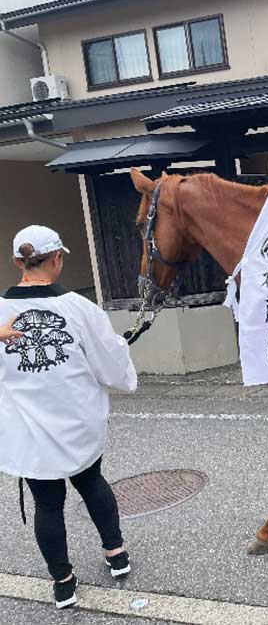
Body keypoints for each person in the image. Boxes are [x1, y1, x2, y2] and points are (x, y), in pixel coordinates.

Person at [0, 225, 137, 609]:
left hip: (28, 427)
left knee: (47, 502)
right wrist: (123, 373)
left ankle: (62, 582)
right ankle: (116, 554)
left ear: (17, 263)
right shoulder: (79, 308)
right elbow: (109, 360)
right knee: (92, 483)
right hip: (78, 421)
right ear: (57, 258)